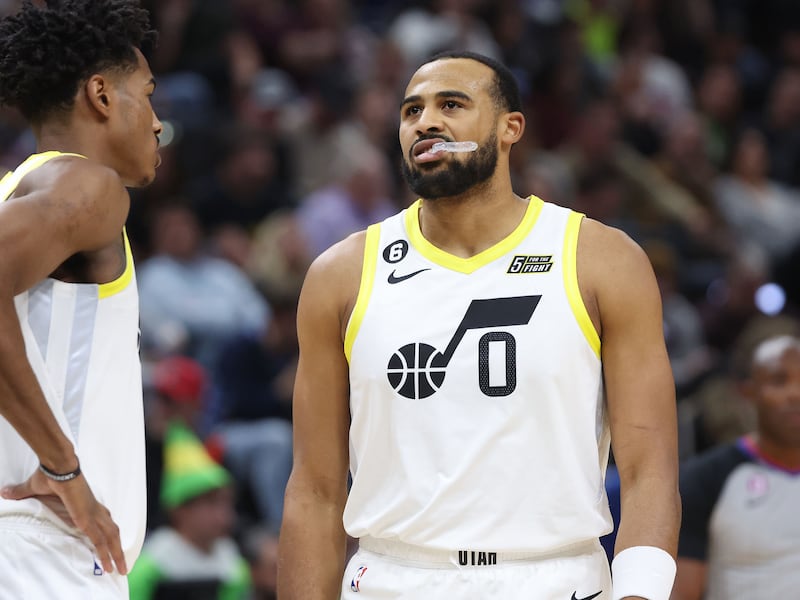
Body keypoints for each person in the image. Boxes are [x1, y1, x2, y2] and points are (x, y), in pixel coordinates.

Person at [278, 51, 681, 600]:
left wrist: (640, 594)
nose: (426, 122)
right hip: (391, 577)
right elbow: (314, 492)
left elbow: (649, 471)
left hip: (556, 577)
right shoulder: (341, 275)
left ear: (510, 127)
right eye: (411, 111)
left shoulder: (600, 258)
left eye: (452, 104)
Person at [0, 1, 161, 597]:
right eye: (147, 94)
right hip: (48, 548)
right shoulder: (89, 185)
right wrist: (63, 468)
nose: (157, 121)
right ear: (100, 94)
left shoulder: (20, 189)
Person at [671, 334, 800, 600]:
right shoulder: (705, 478)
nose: (795, 394)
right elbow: (682, 593)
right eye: (779, 381)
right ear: (749, 393)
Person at [128, 421, 252, 600]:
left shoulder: (234, 566)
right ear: (179, 510)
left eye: (227, 503)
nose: (224, 515)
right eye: (211, 503)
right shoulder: (148, 569)